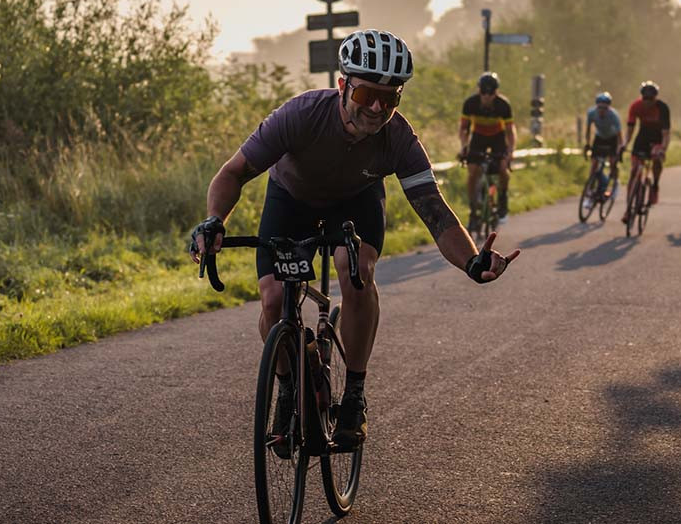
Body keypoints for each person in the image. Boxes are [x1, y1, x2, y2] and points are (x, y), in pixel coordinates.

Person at [188, 29, 520, 451]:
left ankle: (354, 394)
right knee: (272, 300)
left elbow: (433, 210)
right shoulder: (300, 115)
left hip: (356, 202)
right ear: (343, 85)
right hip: (291, 198)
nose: (377, 108)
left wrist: (472, 262)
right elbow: (233, 173)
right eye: (366, 95)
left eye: (390, 97)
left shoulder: (399, 138)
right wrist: (214, 220)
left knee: (357, 271)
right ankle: (288, 387)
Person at [459, 72, 516, 231]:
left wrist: (510, 151)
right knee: (472, 172)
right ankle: (473, 211)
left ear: (496, 92)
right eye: (483, 91)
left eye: (490, 93)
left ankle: (502, 199)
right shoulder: (470, 103)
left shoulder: (503, 105)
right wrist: (464, 146)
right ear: (479, 90)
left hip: (497, 137)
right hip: (478, 138)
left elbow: (510, 131)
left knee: (502, 169)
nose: (487, 96)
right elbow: (464, 129)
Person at [622, 81, 671, 223]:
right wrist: (624, 144)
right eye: (645, 99)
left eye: (651, 99)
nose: (648, 102)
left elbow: (666, 134)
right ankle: (628, 209)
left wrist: (663, 149)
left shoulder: (662, 108)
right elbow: (630, 130)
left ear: (656, 98)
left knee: (657, 160)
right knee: (633, 171)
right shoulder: (635, 106)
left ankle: (655, 185)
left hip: (657, 138)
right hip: (642, 138)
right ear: (641, 97)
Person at [582, 91, 624, 211]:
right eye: (599, 107)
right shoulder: (591, 113)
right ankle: (589, 192)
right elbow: (588, 129)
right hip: (599, 137)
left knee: (612, 162)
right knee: (594, 164)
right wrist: (587, 144)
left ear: (608, 108)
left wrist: (619, 149)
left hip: (612, 138)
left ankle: (615, 183)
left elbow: (619, 135)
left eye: (604, 108)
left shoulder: (613, 115)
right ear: (596, 106)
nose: (602, 110)